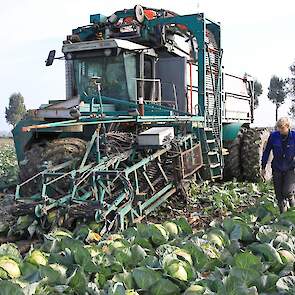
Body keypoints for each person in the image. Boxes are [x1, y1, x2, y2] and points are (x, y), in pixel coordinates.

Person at [261, 117, 295, 213]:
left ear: (288, 127)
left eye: (282, 128)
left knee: (288, 192)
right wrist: (263, 167)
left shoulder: (294, 137)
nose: (280, 130)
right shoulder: (273, 136)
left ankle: (293, 212)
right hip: (277, 168)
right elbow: (267, 151)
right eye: (278, 128)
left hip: (290, 168)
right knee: (279, 196)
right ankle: (283, 217)